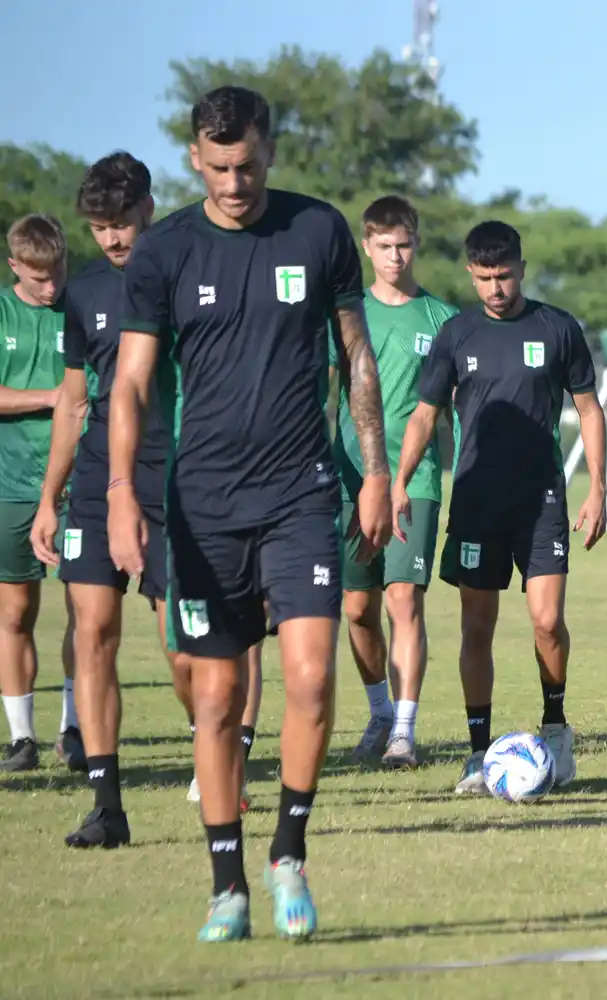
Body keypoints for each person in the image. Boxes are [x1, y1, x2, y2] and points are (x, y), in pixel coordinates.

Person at [108, 85, 392, 943]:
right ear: (196, 157)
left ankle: (288, 855)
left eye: (250, 164)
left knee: (309, 676)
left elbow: (357, 358)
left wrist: (374, 469)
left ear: (271, 150)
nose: (236, 183)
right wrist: (122, 490)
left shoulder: (317, 230)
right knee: (219, 698)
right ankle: (226, 883)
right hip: (201, 506)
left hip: (302, 490)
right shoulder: (164, 252)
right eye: (220, 166)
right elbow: (128, 382)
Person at [397, 220, 605, 795]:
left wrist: (599, 487)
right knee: (476, 627)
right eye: (486, 278)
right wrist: (399, 482)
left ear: (521, 267)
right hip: (477, 502)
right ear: (472, 273)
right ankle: (475, 750)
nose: (496, 288)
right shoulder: (456, 335)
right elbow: (423, 415)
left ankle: (557, 729)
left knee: (545, 622)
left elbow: (589, 408)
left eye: (505, 276)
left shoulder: (557, 327)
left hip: (541, 501)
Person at [28, 152, 179, 846]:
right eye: (99, 228)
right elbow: (72, 399)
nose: (112, 239)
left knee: (181, 648)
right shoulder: (82, 291)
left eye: (121, 223)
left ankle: (219, 757)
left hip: (174, 477)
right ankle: (106, 805)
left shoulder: (185, 266)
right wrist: (48, 498)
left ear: (148, 208)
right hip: (95, 479)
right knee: (90, 632)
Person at [335, 196, 458, 770]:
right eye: (383, 246)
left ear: (416, 244)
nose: (394, 255)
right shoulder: (344, 312)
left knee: (403, 600)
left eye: (403, 244)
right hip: (347, 476)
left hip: (417, 479)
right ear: (366, 247)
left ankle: (405, 731)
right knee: (357, 608)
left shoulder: (441, 320)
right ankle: (379, 710)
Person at [0, 213, 68, 773]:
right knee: (15, 611)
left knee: (86, 612)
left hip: (79, 484)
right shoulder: (1, 313)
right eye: (39, 276)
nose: (51, 286)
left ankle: (74, 728)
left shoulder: (83, 304)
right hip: (11, 486)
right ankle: (22, 738)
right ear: (15, 265)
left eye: (58, 272)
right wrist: (53, 396)